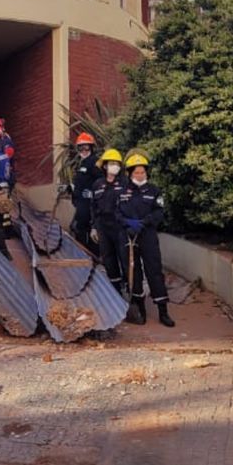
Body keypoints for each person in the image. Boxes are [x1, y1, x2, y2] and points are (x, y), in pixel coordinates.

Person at [114, 152, 173, 327]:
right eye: (136, 172)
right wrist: (128, 224)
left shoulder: (154, 191)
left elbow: (158, 212)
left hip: (147, 235)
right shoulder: (123, 192)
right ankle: (140, 310)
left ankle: (163, 311)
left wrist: (144, 223)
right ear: (130, 173)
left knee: (154, 270)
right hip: (129, 236)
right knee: (134, 274)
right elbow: (117, 213)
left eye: (142, 172)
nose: (139, 175)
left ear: (146, 173)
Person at [90, 148, 128, 295]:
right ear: (105, 166)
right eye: (111, 163)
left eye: (117, 164)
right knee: (108, 259)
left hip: (120, 226)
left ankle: (130, 289)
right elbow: (93, 207)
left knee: (124, 258)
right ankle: (116, 291)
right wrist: (94, 227)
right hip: (103, 227)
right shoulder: (97, 185)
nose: (115, 166)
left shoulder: (125, 183)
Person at [67, 133, 101, 253]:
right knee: (78, 228)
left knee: (88, 231)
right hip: (81, 203)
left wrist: (93, 193)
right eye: (81, 148)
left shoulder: (95, 162)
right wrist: (72, 188)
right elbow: (82, 182)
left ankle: (93, 256)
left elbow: (101, 181)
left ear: (91, 148)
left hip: (89, 204)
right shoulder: (83, 163)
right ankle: (83, 254)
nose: (84, 150)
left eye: (86, 147)